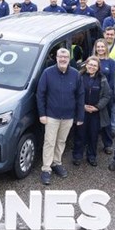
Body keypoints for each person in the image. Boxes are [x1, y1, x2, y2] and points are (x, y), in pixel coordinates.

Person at [36, 48, 84, 185]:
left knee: (61, 141)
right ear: (56, 58)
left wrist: (80, 116)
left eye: (65, 57)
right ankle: (46, 169)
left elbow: (80, 96)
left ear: (69, 58)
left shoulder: (75, 74)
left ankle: (56, 163)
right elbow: (40, 94)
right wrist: (42, 114)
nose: (63, 59)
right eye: (60, 57)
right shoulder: (47, 73)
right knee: (49, 142)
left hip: (68, 116)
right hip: (51, 115)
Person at [73, 56, 111, 167]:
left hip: (95, 113)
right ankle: (77, 156)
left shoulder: (102, 79)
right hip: (81, 111)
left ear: (98, 67)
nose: (92, 67)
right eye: (90, 64)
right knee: (79, 134)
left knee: (93, 135)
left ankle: (92, 156)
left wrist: (97, 107)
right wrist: (82, 106)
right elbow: (73, 94)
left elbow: (107, 95)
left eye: (95, 65)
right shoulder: (79, 77)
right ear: (86, 65)